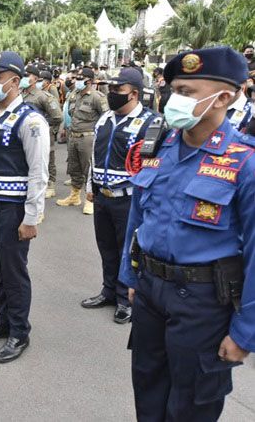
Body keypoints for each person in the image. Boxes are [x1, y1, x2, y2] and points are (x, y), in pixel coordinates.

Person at [120, 47, 255, 420]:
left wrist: (245, 332)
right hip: (150, 293)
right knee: (148, 392)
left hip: (204, 302)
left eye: (186, 91)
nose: (172, 99)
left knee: (192, 405)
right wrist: (131, 276)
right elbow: (138, 219)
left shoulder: (244, 162)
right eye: (172, 88)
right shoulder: (160, 148)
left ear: (224, 97)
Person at [0, 51, 49, 363]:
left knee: (14, 272)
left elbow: (38, 172)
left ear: (15, 81)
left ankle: (19, 331)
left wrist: (31, 216)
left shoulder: (30, 120)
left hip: (12, 209)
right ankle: (2, 320)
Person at [81, 68, 160, 324]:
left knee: (128, 250)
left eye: (118, 91)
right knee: (106, 248)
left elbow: (154, 165)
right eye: (110, 90)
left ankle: (125, 298)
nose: (112, 94)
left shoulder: (152, 123)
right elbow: (95, 154)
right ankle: (108, 290)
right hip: (102, 195)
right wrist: (90, 187)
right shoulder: (105, 118)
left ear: (134, 93)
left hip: (129, 197)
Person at [57, 67, 109, 215]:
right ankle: (74, 196)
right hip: (73, 136)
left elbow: (105, 118)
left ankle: (90, 200)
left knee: (88, 169)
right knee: (74, 167)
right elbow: (70, 114)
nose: (77, 81)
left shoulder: (97, 97)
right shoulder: (74, 95)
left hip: (88, 137)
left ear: (90, 81)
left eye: (81, 79)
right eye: (77, 78)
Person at [20, 65, 62, 200]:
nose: (24, 78)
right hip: (24, 134)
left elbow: (57, 116)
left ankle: (50, 185)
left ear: (36, 79)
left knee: (47, 158)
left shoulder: (43, 96)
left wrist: (43, 125)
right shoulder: (21, 95)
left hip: (41, 133)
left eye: (27, 76)